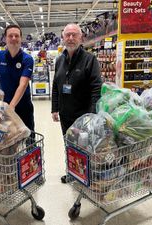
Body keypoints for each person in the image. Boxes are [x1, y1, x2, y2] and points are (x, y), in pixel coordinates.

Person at [51, 23, 102, 183]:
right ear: (63, 38)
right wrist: (55, 108)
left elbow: (96, 88)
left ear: (81, 38)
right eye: (68, 35)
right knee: (69, 145)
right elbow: (55, 86)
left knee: (85, 146)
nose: (71, 38)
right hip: (66, 114)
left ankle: (88, 176)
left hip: (83, 115)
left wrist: (92, 115)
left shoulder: (89, 59)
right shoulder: (59, 60)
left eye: (74, 35)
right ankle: (73, 172)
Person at [0, 25, 35, 132]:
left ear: (21, 39)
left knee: (29, 139)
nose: (13, 38)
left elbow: (23, 84)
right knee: (8, 139)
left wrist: (11, 107)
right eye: (10, 36)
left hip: (23, 106)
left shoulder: (27, 59)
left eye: (16, 36)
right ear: (5, 38)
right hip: (3, 106)